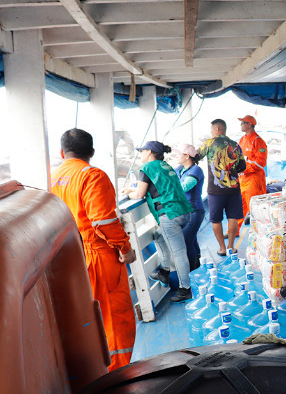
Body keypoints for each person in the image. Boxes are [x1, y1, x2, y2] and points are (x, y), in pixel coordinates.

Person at [51, 128, 137, 371]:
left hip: (72, 257)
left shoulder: (54, 178)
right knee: (113, 318)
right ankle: (117, 374)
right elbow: (103, 220)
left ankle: (97, 373)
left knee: (89, 318)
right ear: (92, 152)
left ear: (62, 152)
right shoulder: (92, 176)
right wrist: (124, 247)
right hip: (98, 257)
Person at [123, 141, 193, 302]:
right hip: (183, 212)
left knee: (179, 252)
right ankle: (164, 270)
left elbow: (140, 194)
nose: (141, 154)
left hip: (169, 215)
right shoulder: (165, 166)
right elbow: (157, 187)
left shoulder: (146, 168)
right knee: (159, 237)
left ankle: (185, 289)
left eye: (142, 151)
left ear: (149, 152)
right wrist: (132, 190)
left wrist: (129, 194)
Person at [198, 119, 247, 256]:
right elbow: (243, 166)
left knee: (216, 219)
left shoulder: (209, 143)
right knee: (233, 217)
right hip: (233, 188)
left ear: (217, 130)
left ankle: (222, 248)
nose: (211, 132)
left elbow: (196, 156)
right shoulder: (235, 145)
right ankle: (231, 247)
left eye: (211, 130)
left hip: (215, 190)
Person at [174, 144, 205, 272]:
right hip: (184, 211)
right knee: (191, 240)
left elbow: (184, 187)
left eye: (179, 154)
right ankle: (197, 267)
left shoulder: (196, 170)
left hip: (194, 211)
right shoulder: (179, 169)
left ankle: (192, 271)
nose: (176, 156)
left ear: (187, 156)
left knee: (187, 241)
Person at [238, 114, 268, 224]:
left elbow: (261, 163)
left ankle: (257, 234)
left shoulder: (258, 141)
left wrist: (244, 170)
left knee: (255, 209)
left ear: (249, 124)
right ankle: (234, 230)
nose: (240, 125)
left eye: (242, 123)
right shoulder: (242, 139)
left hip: (254, 180)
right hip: (242, 179)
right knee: (239, 206)